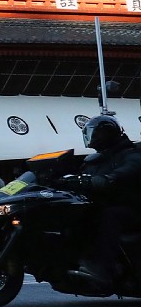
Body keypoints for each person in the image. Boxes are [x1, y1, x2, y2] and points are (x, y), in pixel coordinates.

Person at [57, 115, 141, 289]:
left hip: (132, 209)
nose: (91, 137)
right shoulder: (94, 160)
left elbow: (129, 170)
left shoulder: (131, 154)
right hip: (101, 205)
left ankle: (102, 268)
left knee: (110, 215)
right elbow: (79, 177)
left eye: (94, 133)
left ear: (106, 134)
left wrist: (108, 179)